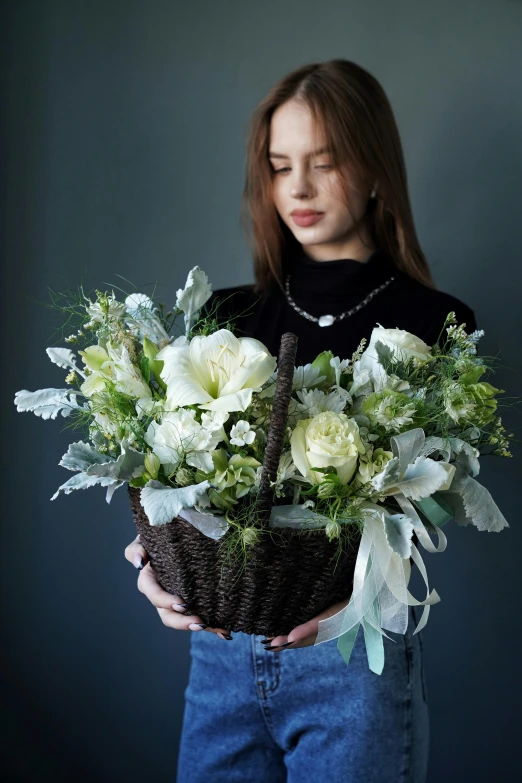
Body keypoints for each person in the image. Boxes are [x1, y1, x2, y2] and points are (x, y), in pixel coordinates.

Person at [124, 59, 477, 782]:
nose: (300, 189)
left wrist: (357, 602)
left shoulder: (436, 326)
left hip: (352, 661)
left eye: (324, 162)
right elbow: (176, 485)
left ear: (376, 168)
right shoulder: (220, 321)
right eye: (281, 166)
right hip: (220, 659)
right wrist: (150, 566)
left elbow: (429, 514)